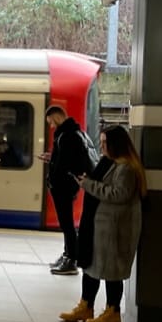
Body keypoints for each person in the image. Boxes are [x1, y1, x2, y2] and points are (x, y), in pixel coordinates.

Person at [59, 125, 146, 322]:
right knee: (91, 266)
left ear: (116, 144)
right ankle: (86, 305)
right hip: (99, 226)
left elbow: (119, 194)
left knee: (111, 271)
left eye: (106, 142)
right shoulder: (109, 163)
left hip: (112, 229)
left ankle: (112, 312)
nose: (102, 146)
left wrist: (88, 185)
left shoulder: (126, 168)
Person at [43, 105, 93, 275]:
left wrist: (53, 176)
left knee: (67, 224)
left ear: (57, 117)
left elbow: (64, 164)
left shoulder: (66, 136)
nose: (51, 126)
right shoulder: (71, 133)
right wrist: (52, 158)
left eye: (51, 122)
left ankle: (71, 259)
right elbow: (66, 159)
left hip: (63, 186)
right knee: (66, 223)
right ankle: (67, 254)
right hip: (67, 186)